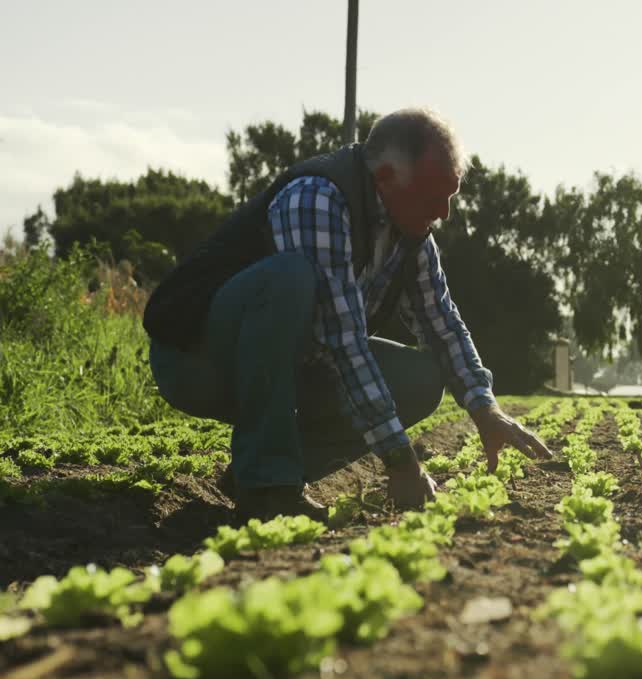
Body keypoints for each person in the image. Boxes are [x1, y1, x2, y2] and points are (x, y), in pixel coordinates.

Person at [142, 107, 551, 521]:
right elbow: (345, 341)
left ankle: (265, 472)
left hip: (293, 366)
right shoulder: (317, 198)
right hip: (199, 360)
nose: (444, 214)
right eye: (433, 197)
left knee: (423, 379)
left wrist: (486, 410)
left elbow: (443, 323)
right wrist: (400, 462)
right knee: (290, 279)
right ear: (387, 178)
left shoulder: (413, 236)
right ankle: (268, 486)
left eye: (450, 196)